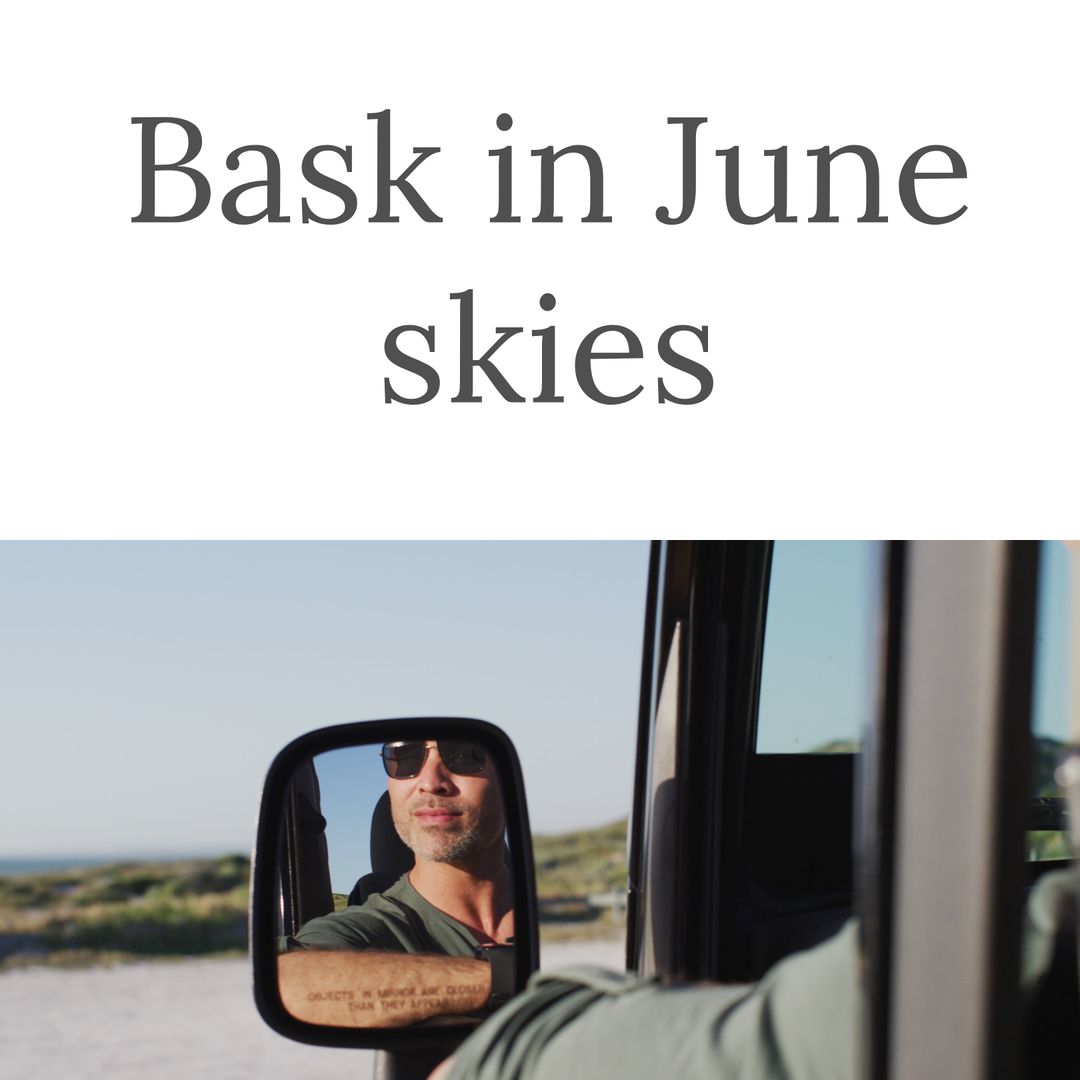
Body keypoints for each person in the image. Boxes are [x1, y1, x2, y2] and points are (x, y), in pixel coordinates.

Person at [278, 739, 513, 1028]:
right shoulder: (364, 930)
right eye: (405, 757)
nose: (430, 782)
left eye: (465, 755)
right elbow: (289, 981)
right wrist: (507, 978)